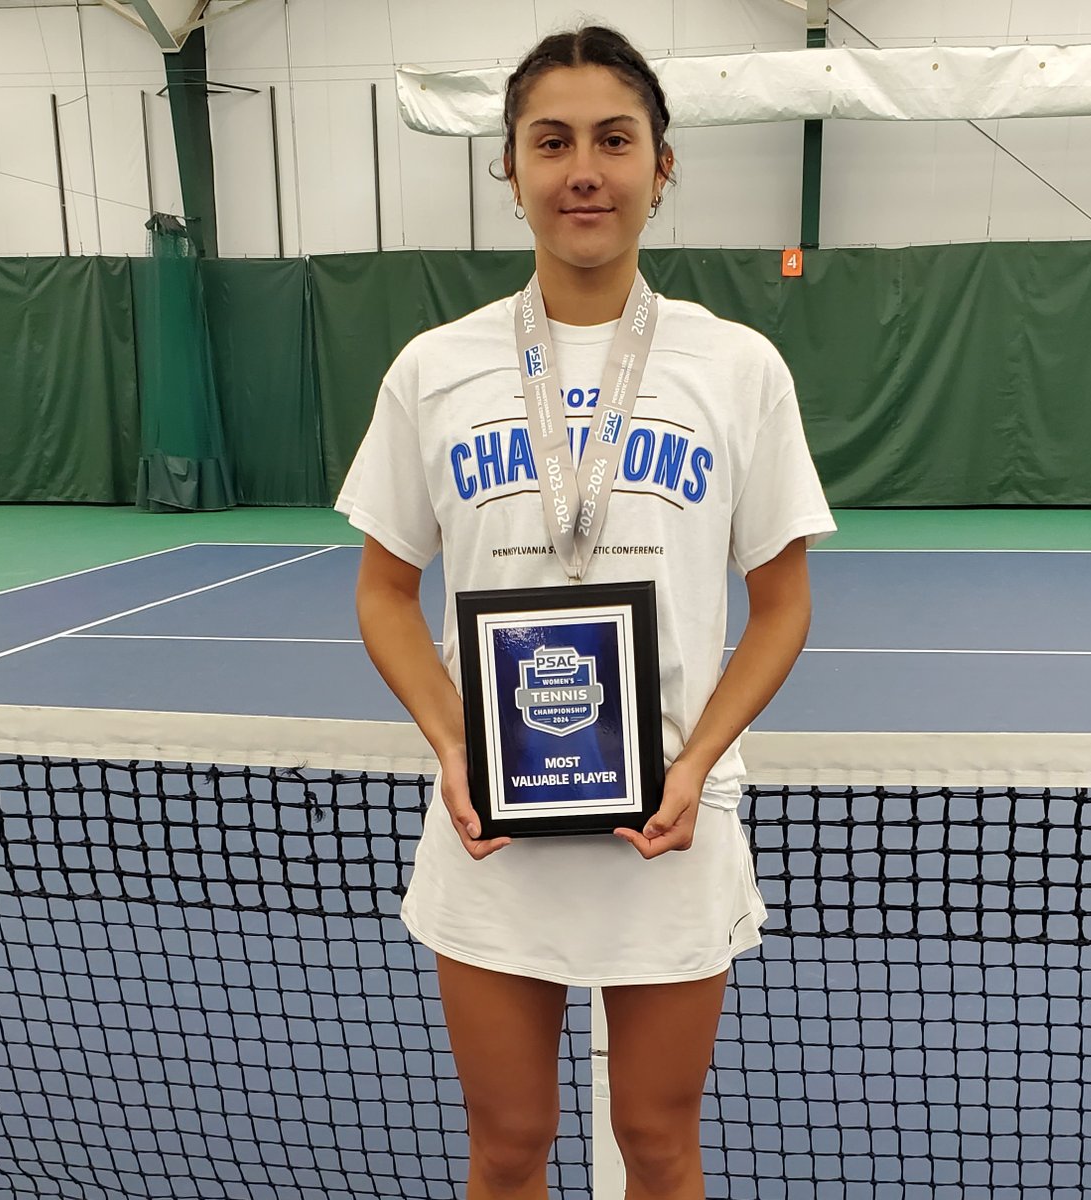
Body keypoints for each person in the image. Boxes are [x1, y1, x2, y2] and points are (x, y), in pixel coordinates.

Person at [338, 24, 835, 1200]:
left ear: (662, 167)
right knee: (508, 1149)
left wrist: (697, 762)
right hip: (491, 834)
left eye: (615, 140)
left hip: (670, 826)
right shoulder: (432, 369)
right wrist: (457, 749)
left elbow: (783, 605)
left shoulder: (740, 367)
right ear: (507, 167)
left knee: (660, 1146)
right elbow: (383, 594)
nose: (584, 171)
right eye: (550, 141)